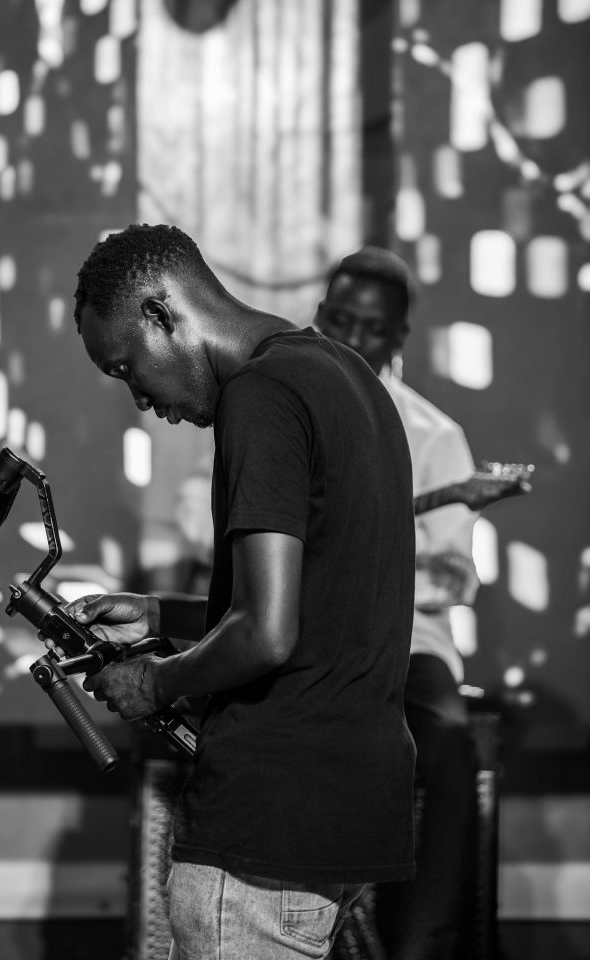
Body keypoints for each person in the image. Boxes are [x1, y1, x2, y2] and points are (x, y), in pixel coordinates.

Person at [69, 224, 417, 960]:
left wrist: (154, 681)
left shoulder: (259, 395)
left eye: (127, 366)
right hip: (350, 807)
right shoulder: (349, 376)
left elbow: (265, 634)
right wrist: (164, 615)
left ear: (162, 312)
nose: (138, 397)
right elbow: (328, 600)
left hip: (264, 823)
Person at [315, 245, 480, 960]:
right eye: (340, 320)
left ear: (398, 339)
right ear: (319, 317)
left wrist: (374, 550)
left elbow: (452, 581)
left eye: (372, 328)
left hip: (407, 643)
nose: (352, 340)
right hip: (298, 634)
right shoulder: (272, 410)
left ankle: (420, 947)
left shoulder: (438, 439)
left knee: (446, 737)